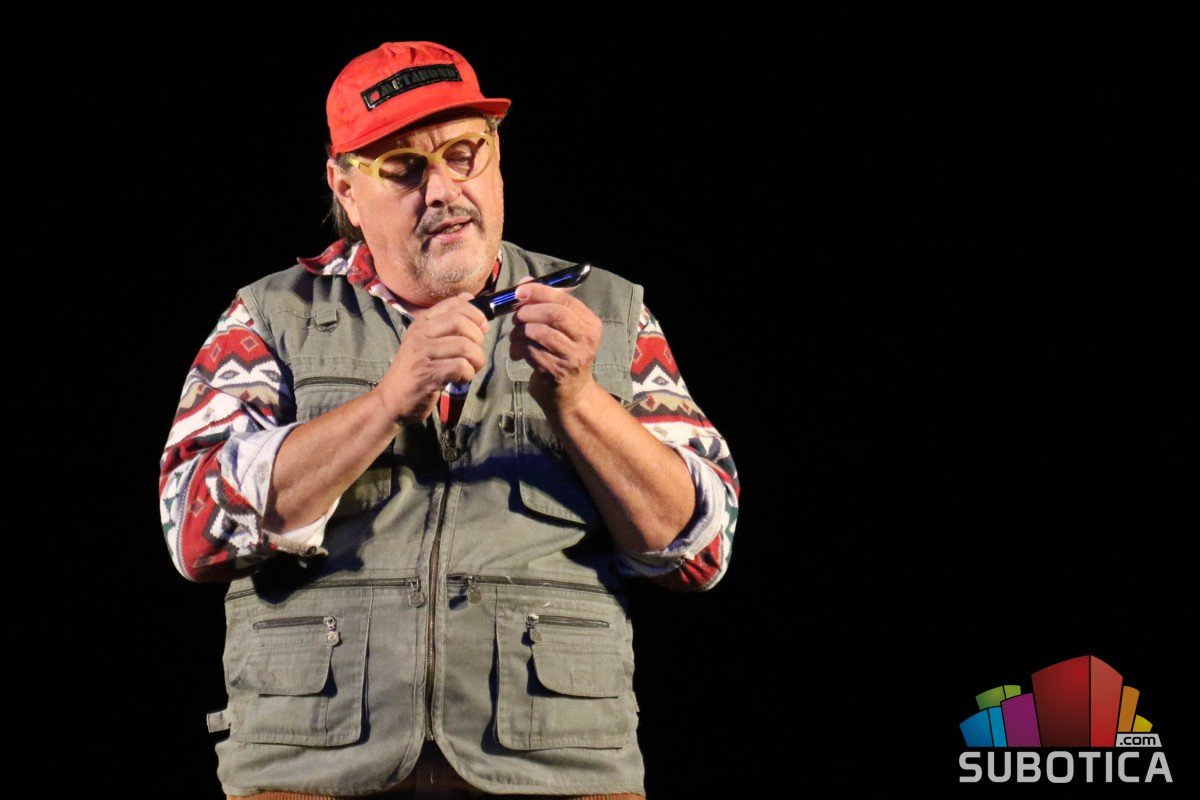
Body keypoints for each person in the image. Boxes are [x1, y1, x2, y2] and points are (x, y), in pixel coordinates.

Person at [158, 41, 739, 800]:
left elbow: (701, 548)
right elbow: (195, 530)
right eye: (403, 167)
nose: (443, 190)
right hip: (309, 774)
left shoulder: (609, 312)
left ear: (495, 157)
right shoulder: (269, 316)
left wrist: (578, 401)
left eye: (464, 153)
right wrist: (386, 403)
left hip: (557, 773)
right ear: (346, 187)